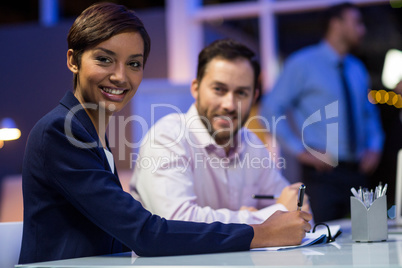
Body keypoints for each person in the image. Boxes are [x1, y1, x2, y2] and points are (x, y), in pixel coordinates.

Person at [18, 2, 312, 264]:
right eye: (104, 59)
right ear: (73, 60)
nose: (120, 76)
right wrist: (262, 230)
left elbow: (122, 232)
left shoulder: (91, 134)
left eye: (133, 64)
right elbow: (147, 233)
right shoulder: (61, 131)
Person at [130, 39, 310, 224]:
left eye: (241, 93)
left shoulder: (251, 143)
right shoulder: (167, 137)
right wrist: (266, 215)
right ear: (196, 88)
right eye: (218, 89)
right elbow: (177, 222)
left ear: (254, 97)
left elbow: (300, 214)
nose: (229, 105)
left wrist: (283, 212)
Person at [261, 2, 384, 222]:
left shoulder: (356, 68)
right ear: (336, 24)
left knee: (370, 237)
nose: (362, 30)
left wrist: (374, 147)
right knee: (321, 243)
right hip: (322, 175)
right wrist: (300, 151)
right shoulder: (302, 63)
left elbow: (369, 115)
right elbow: (270, 109)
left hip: (358, 172)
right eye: (356, 23)